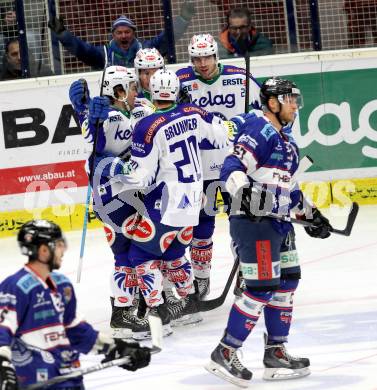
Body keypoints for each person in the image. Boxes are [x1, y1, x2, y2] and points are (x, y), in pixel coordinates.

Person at [205, 77, 332, 387]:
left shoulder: (288, 142)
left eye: (296, 100)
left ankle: (275, 351)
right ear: (273, 102)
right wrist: (243, 192)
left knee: (288, 280)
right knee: (261, 288)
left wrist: (312, 215)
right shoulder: (260, 131)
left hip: (279, 222)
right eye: (290, 99)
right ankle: (225, 351)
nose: (295, 106)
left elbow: (289, 188)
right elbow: (231, 167)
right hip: (254, 223)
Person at [102, 68, 230, 334]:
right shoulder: (193, 113)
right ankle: (189, 302)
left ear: (152, 92)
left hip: (167, 200)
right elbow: (221, 134)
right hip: (195, 198)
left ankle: (157, 312)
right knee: (172, 251)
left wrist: (111, 166)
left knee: (138, 253)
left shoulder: (147, 126)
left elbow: (140, 177)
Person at [0, 219, 151, 389]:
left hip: (69, 379)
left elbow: (75, 331)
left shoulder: (62, 285)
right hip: (37, 382)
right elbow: (2, 331)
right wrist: (3, 368)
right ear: (43, 250)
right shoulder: (15, 287)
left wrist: (115, 348)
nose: (63, 249)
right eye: (58, 244)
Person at [69, 66, 153, 340]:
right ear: (118, 91)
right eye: (130, 87)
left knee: (133, 252)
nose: (135, 92)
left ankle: (129, 309)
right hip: (112, 198)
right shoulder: (111, 117)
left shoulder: (132, 110)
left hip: (126, 194)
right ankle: (122, 314)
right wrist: (86, 116)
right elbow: (96, 144)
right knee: (127, 254)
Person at [175, 33, 260, 303]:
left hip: (234, 167)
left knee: (243, 222)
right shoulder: (180, 81)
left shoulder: (240, 77)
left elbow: (264, 112)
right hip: (199, 171)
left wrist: (250, 122)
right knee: (201, 229)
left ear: (216, 55)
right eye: (197, 58)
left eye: (207, 57)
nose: (202, 63)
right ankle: (201, 279)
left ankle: (248, 272)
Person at [48, 2, 196, 70]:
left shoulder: (146, 49)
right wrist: (63, 35)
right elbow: (81, 50)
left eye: (127, 32)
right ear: (113, 35)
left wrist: (183, 19)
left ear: (134, 33)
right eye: (119, 32)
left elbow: (168, 38)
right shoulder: (104, 54)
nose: (123, 35)